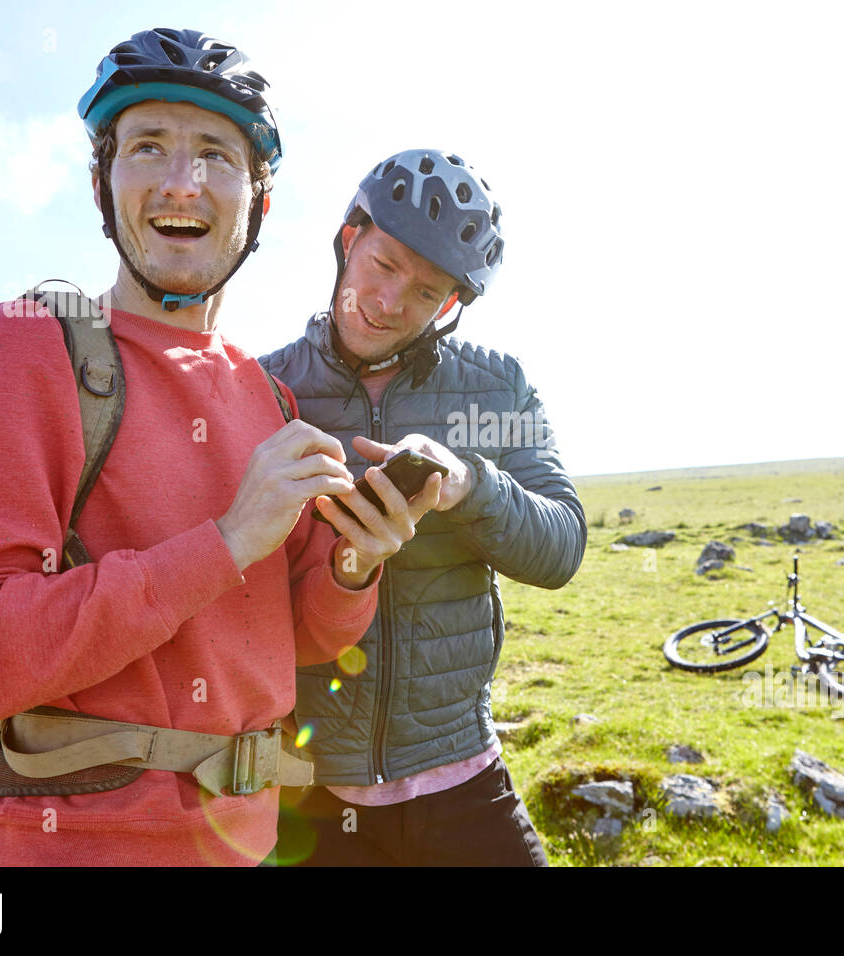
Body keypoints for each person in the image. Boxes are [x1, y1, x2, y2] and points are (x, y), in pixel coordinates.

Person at [0, 29, 437, 867]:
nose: (183, 181)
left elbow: (293, 637)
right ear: (103, 182)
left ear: (259, 200)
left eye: (218, 154)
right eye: (148, 146)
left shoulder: (266, 393)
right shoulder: (7, 353)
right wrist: (222, 544)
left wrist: (353, 566)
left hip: (251, 844)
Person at [260, 149, 586, 866]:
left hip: (462, 773)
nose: (388, 302)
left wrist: (471, 484)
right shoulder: (261, 388)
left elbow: (563, 547)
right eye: (383, 265)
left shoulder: (499, 387)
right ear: (350, 241)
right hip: (309, 787)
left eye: (425, 291)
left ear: (450, 306)